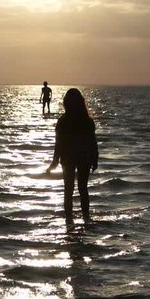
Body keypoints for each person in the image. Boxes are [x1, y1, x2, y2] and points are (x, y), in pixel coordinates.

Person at [46, 88, 98, 223]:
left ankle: (69, 220)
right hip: (84, 157)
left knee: (68, 190)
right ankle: (86, 218)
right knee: (83, 189)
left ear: (66, 103)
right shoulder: (87, 121)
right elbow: (92, 142)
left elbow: (59, 144)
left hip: (68, 158)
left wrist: (54, 162)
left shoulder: (62, 121)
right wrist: (94, 158)